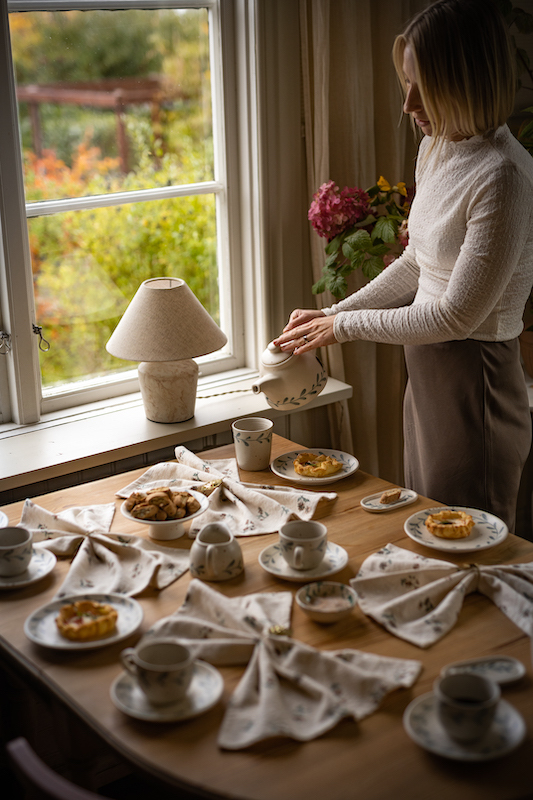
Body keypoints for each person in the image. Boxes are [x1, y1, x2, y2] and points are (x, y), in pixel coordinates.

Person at [273, 0, 533, 533]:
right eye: (406, 81)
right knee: (429, 524)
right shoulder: (437, 147)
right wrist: (332, 313)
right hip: (426, 371)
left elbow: (456, 317)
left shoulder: (504, 176)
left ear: (466, 80)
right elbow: (418, 262)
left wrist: (342, 327)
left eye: (424, 84)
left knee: (468, 546)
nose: (408, 100)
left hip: (473, 380)